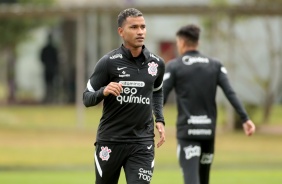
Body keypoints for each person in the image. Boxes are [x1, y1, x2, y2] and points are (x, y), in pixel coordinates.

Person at [163, 24, 256, 184]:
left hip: (188, 133)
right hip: (207, 132)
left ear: (182, 43)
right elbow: (230, 92)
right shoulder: (215, 65)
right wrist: (245, 118)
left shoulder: (175, 65)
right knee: (204, 180)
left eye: (178, 43)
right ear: (197, 43)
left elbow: (161, 96)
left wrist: (152, 118)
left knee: (191, 180)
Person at [83, 8, 166, 184]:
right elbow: (86, 98)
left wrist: (159, 119)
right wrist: (103, 92)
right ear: (121, 31)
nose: (140, 31)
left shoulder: (156, 63)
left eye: (143, 27)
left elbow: (157, 90)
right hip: (110, 141)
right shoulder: (108, 62)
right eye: (134, 27)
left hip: (142, 143)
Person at [40, 32, 59, 103]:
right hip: (49, 68)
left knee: (50, 84)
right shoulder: (50, 49)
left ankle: (50, 98)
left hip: (50, 68)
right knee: (49, 84)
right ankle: (49, 97)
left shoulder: (50, 49)